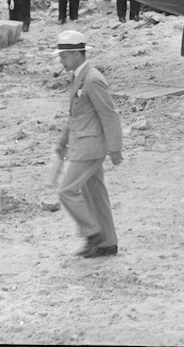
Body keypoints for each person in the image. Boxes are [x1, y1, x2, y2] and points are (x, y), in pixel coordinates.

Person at [52, 30, 123, 259]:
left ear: (74, 55)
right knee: (95, 195)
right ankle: (108, 243)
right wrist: (62, 145)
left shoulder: (93, 79)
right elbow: (75, 116)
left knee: (66, 191)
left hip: (90, 148)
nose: (61, 61)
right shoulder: (80, 77)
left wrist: (115, 148)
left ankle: (93, 233)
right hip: (84, 144)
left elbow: (109, 115)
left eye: (63, 56)